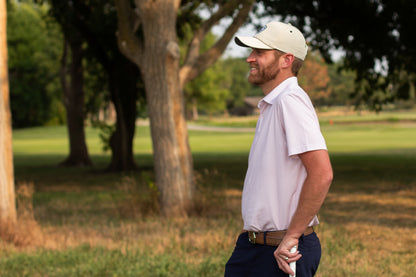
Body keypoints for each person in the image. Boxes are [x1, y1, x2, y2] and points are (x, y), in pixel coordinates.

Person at [224, 21, 333, 277]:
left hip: (282, 251)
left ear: (286, 60)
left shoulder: (290, 101)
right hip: (254, 246)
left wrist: (291, 237)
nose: (250, 59)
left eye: (260, 53)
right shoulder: (273, 104)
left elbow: (322, 173)